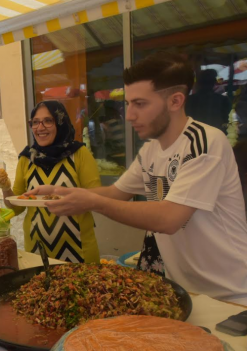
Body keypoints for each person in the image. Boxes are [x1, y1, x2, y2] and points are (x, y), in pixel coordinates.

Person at [29, 52, 247, 303]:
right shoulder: (151, 149)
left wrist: (90, 202)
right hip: (187, 289)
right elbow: (115, 193)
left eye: (140, 104)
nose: (129, 115)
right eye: (129, 103)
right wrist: (60, 192)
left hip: (231, 295)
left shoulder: (205, 142)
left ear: (175, 101)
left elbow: (169, 219)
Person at [0, 101, 101, 263]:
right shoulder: (26, 158)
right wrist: (6, 188)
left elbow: (97, 199)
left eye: (48, 121)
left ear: (60, 123)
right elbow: (16, 207)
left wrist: (67, 199)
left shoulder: (79, 154)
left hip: (79, 251)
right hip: (37, 252)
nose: (40, 127)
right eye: (35, 122)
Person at [185, 69, 231, 133]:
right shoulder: (223, 100)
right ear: (214, 83)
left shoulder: (188, 100)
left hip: (193, 135)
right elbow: (226, 121)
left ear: (198, 83)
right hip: (216, 135)